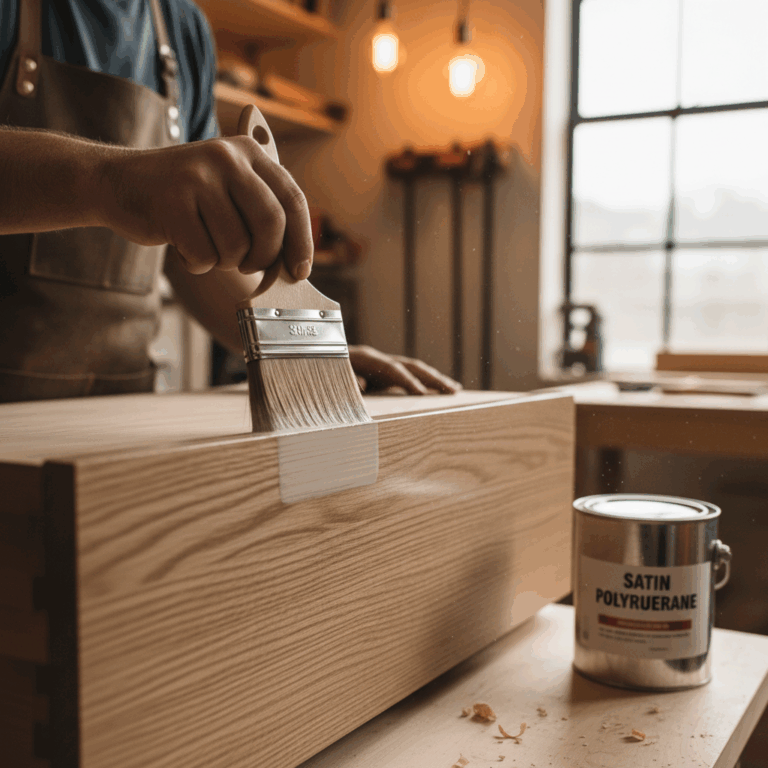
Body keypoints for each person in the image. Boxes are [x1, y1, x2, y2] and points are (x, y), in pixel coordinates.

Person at [0, 0, 460, 402]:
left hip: (120, 406)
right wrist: (110, 181)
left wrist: (300, 345)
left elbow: (192, 251)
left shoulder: (182, 28)